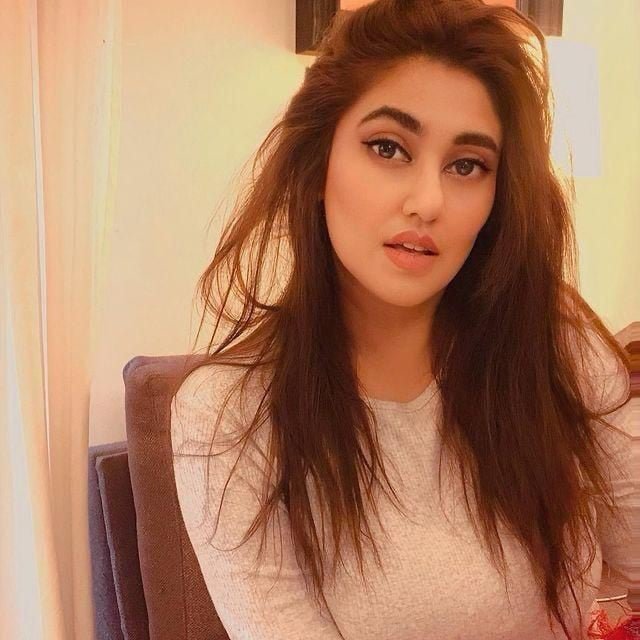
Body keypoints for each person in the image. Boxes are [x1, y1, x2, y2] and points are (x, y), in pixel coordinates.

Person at [170, 1, 636, 638]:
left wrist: (562, 333)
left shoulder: (549, 344)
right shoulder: (230, 413)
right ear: (318, 163)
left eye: (467, 165)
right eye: (388, 148)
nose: (428, 201)